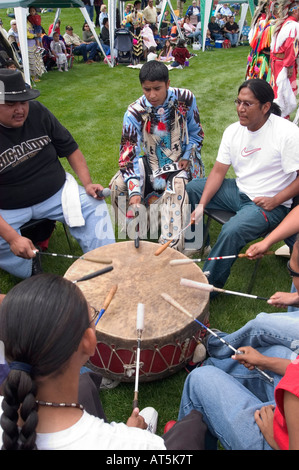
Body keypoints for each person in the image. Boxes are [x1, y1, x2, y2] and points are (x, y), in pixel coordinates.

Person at [0, 273, 207, 450]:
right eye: (93, 314)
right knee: (192, 428)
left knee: (85, 386)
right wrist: (130, 434)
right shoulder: (137, 444)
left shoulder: (8, 416)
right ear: (89, 342)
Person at [178, 236, 299, 450]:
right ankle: (212, 363)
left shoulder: (293, 396)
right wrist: (264, 360)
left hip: (280, 438)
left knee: (199, 380)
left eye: (291, 272)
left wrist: (276, 440)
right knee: (278, 351)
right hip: (286, 420)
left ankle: (182, 440)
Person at [0, 69, 115, 280]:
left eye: (23, 102)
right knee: (4, 241)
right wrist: (12, 238)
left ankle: (106, 265)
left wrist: (87, 184)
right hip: (8, 207)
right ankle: (30, 269)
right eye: (10, 104)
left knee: (94, 206)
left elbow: (70, 148)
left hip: (56, 193)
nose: (20, 110)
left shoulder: (37, 111)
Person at [187, 78, 299, 290]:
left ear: (266, 107)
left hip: (269, 205)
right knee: (193, 189)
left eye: (247, 104)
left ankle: (207, 289)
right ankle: (197, 244)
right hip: (239, 191)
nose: (240, 109)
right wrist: (201, 205)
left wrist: (276, 200)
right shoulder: (233, 131)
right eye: (238, 102)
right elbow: (218, 171)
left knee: (232, 230)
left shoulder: (287, 133)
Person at [110, 61, 204, 252]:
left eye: (157, 88)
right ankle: (137, 233)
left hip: (183, 161)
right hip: (152, 162)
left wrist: (186, 155)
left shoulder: (185, 98)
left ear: (168, 84)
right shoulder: (135, 112)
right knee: (118, 185)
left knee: (178, 185)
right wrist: (135, 193)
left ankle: (169, 248)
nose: (152, 95)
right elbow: (128, 155)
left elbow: (196, 134)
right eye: (146, 89)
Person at [270, 0, 299, 118]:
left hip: (277, 62)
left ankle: (279, 116)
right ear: (295, 11)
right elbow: (292, 46)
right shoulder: (293, 25)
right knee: (285, 93)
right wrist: (289, 65)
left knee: (279, 91)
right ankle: (282, 117)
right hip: (284, 64)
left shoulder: (283, 23)